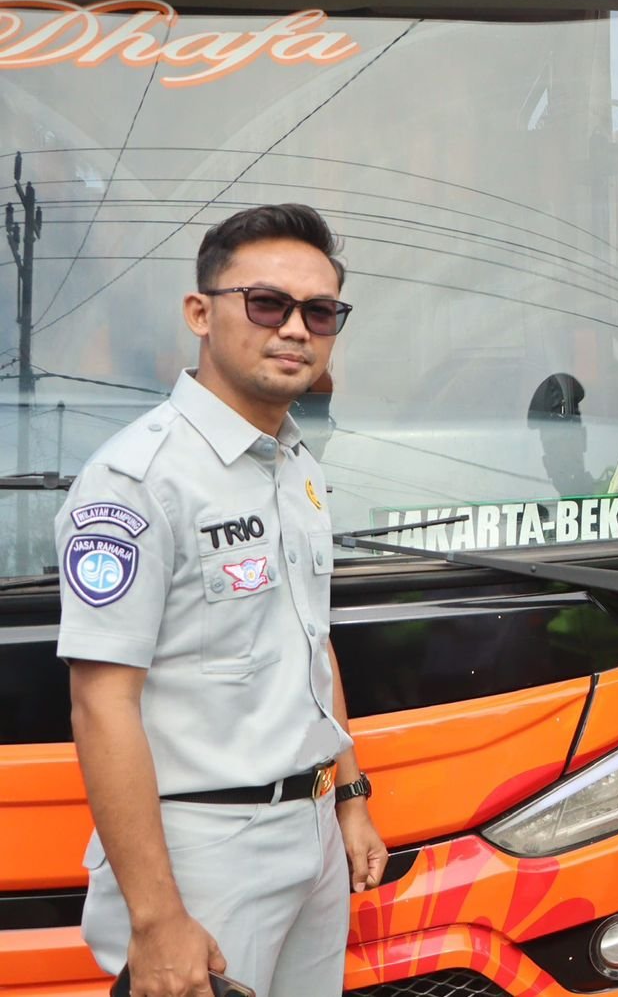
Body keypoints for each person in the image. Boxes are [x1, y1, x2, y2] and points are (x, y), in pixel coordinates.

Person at [57, 204, 386, 997]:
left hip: (311, 837)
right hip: (205, 852)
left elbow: (310, 639)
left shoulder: (296, 466)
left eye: (321, 311)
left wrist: (348, 794)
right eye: (267, 304)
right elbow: (102, 707)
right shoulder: (138, 482)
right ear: (200, 313)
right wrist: (155, 915)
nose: (296, 330)